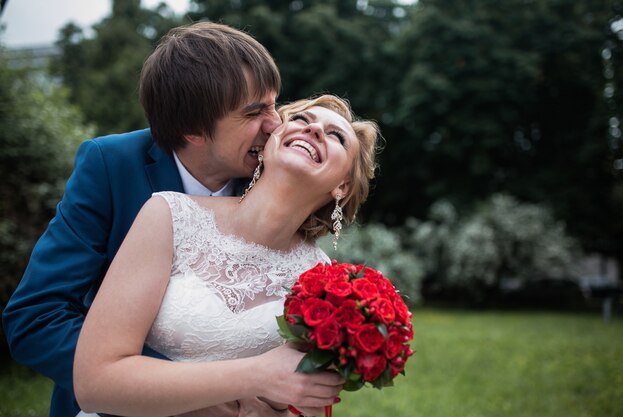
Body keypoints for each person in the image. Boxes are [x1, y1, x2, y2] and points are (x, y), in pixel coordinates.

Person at [2, 22, 287, 417]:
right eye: (255, 112)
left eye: (275, 103)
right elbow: (36, 318)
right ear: (192, 129)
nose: (276, 125)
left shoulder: (274, 176)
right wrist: (182, 396)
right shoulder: (110, 166)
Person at [72, 94, 381, 417]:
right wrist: (255, 377)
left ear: (343, 186)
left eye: (336, 136)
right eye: (302, 120)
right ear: (269, 142)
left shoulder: (326, 284)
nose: (315, 129)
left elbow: (301, 403)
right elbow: (94, 384)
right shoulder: (169, 215)